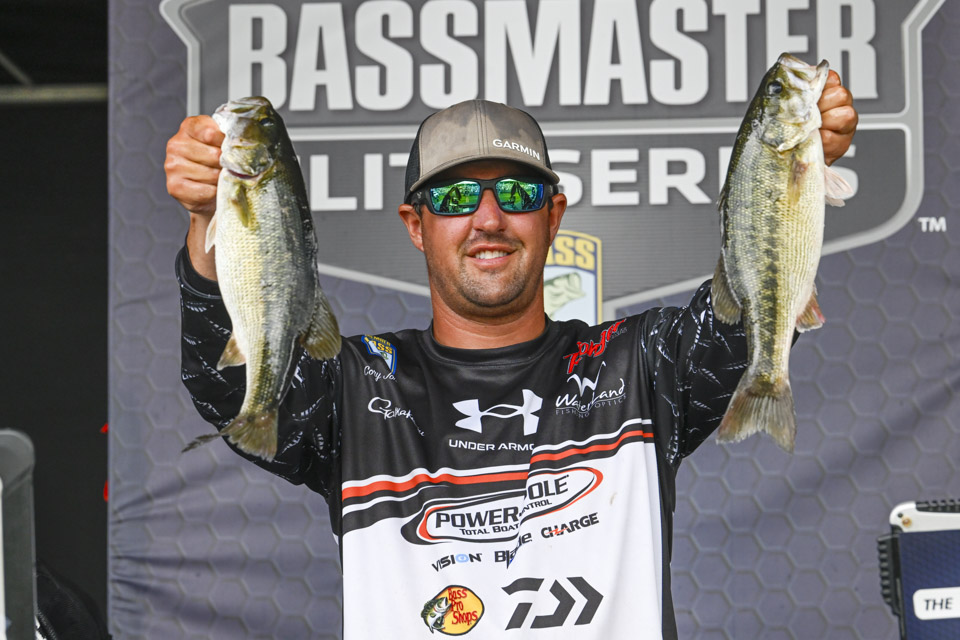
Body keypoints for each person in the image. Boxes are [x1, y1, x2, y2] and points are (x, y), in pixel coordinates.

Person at [166, 76, 857, 638]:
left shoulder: (641, 367)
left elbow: (748, 313)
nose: (489, 218)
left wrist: (789, 171)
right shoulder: (358, 388)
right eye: (456, 196)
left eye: (519, 193)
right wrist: (208, 220)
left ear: (553, 216)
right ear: (416, 224)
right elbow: (228, 384)